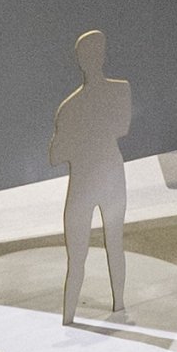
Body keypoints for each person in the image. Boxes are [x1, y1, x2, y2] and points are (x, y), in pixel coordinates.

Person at [48, 29, 131, 326]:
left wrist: (77, 138)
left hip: (95, 178)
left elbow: (57, 152)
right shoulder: (75, 105)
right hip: (97, 178)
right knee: (90, 253)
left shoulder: (73, 107)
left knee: (105, 247)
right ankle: (77, 315)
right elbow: (56, 155)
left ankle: (111, 306)